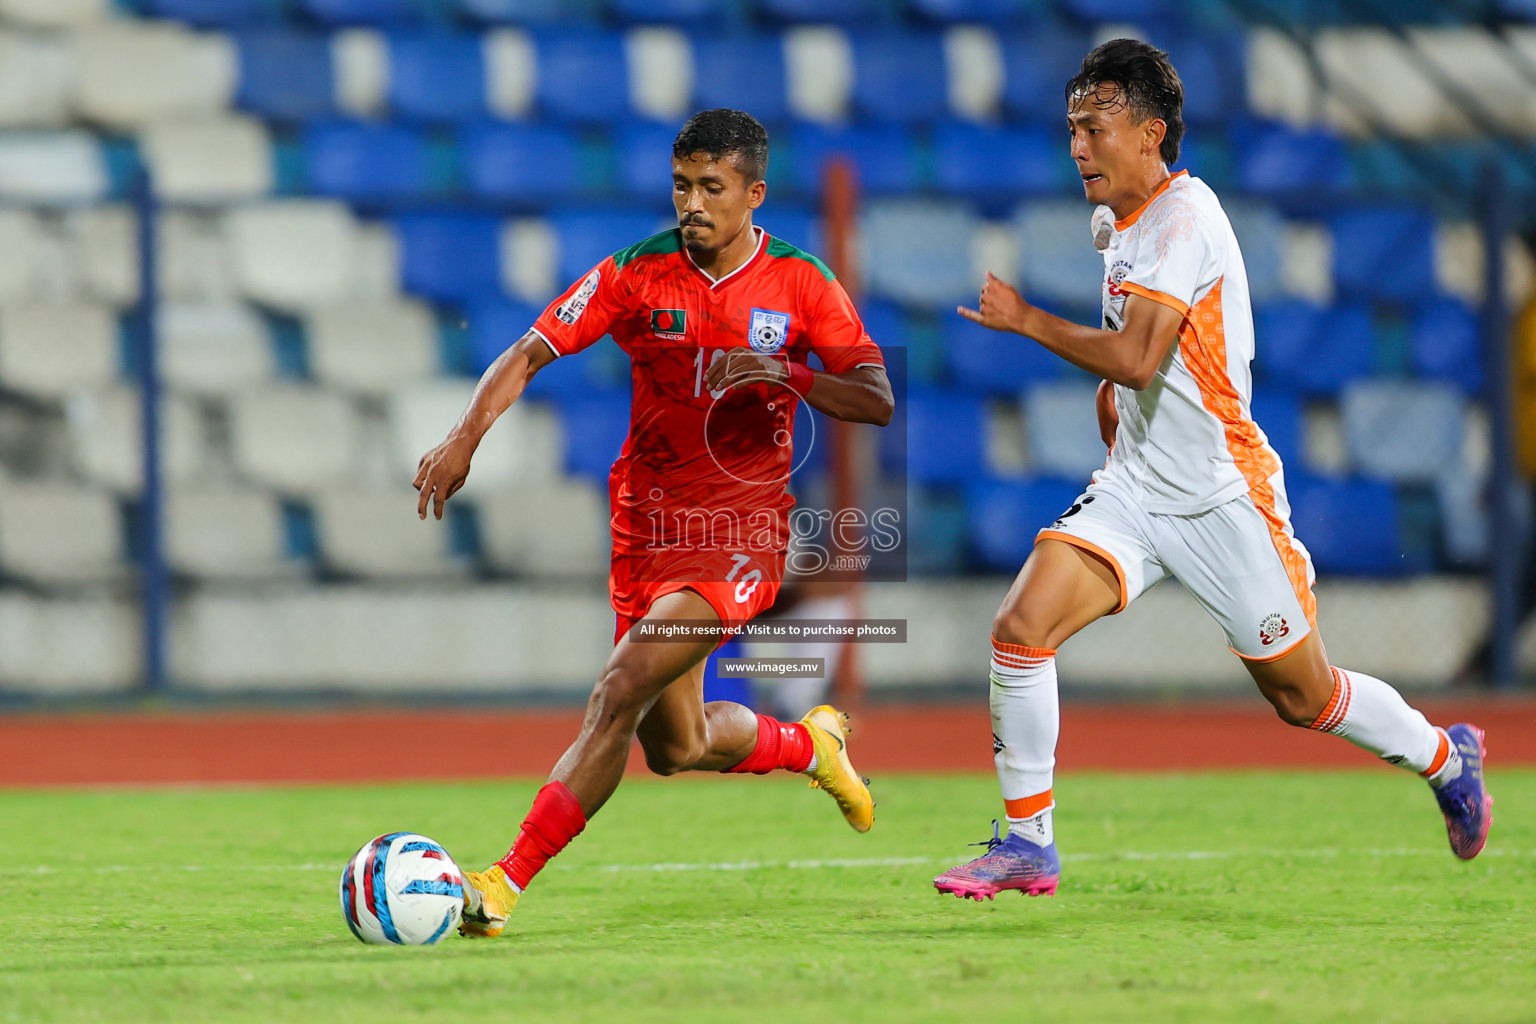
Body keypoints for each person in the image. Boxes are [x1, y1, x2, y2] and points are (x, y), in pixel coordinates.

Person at [933, 40, 1492, 902]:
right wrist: (1120, 417)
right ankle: (1027, 842)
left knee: (1305, 697)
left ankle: (1446, 758)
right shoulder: (1114, 220)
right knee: (1021, 624)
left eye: (1095, 128)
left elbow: (1134, 352)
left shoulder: (1187, 221)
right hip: (1136, 486)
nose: (1077, 146)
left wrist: (1026, 321)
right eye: (1071, 128)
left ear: (1151, 134)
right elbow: (1151, 362)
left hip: (1222, 496)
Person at [414, 108, 893, 936]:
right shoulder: (637, 273)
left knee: (618, 690)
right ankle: (810, 747)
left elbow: (877, 399)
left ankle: (503, 881)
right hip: (648, 530)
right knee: (675, 746)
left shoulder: (803, 284)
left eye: (712, 187)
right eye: (682, 185)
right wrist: (464, 437)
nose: (692, 203)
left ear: (754, 194)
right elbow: (529, 349)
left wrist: (784, 373)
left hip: (742, 536)